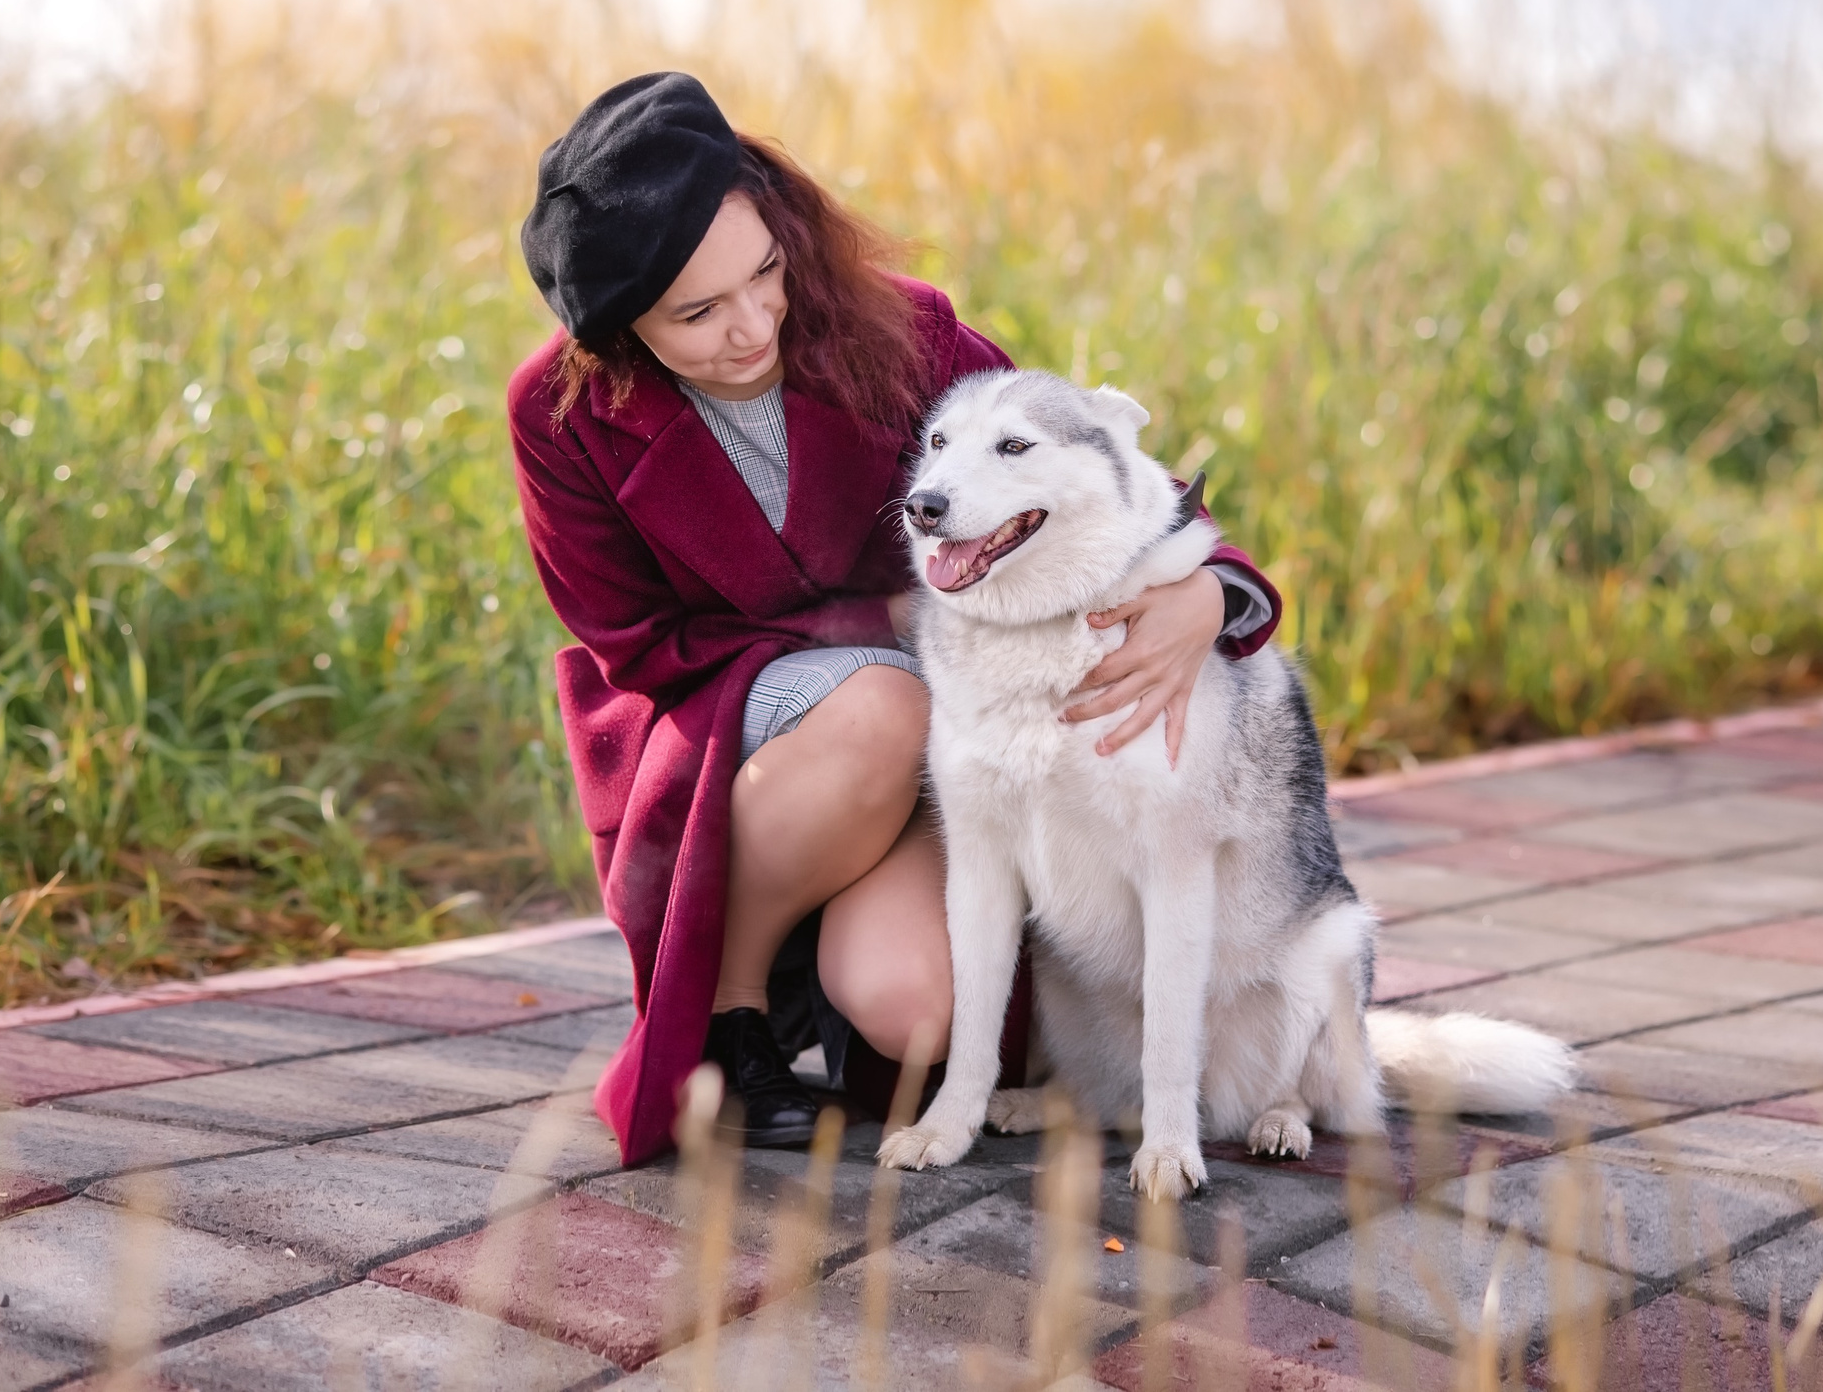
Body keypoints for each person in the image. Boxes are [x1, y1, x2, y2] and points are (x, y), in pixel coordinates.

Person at [506, 72, 1284, 1164]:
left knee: (916, 1012)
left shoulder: (896, 326)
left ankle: (813, 966)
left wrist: (1213, 590)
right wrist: (864, 633)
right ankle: (727, 1017)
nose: (750, 325)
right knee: (876, 704)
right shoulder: (563, 412)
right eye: (695, 313)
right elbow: (632, 638)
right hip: (723, 710)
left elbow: (1077, 472)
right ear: (619, 330)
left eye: (764, 274)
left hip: (931, 725)